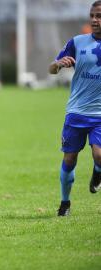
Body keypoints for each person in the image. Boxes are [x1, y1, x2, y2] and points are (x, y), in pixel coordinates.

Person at [49, 0, 101, 216]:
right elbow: (52, 69)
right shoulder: (78, 42)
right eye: (92, 15)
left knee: (99, 155)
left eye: (99, 16)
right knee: (69, 159)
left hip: (99, 115)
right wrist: (59, 64)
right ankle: (65, 203)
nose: (94, 20)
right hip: (76, 111)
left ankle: (97, 172)